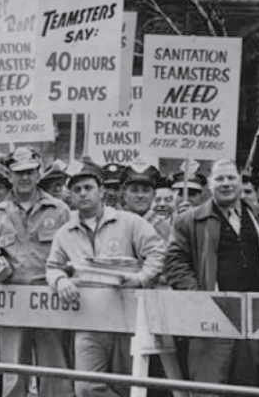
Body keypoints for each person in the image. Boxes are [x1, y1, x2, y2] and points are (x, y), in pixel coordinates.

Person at [47, 162, 165, 397]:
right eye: (77, 189)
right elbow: (53, 266)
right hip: (89, 321)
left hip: (127, 319)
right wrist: (60, 281)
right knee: (86, 387)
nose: (83, 193)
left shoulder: (129, 222)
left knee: (127, 384)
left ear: (101, 191)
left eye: (88, 187)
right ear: (70, 195)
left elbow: (158, 253)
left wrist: (140, 279)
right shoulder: (65, 232)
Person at [165, 159, 259, 395]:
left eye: (231, 178)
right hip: (211, 321)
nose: (226, 184)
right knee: (208, 388)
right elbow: (174, 263)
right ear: (210, 184)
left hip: (253, 321)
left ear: (240, 181)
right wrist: (198, 297)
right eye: (220, 179)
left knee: (247, 389)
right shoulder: (188, 220)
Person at [0, 147, 72, 397]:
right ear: (9, 175)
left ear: (38, 173)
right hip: (12, 299)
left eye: (30, 172)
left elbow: (72, 254)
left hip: (48, 297)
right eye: (18, 173)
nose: (25, 178)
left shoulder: (60, 210)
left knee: (55, 371)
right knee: (12, 372)